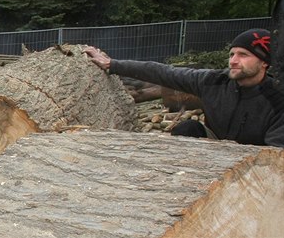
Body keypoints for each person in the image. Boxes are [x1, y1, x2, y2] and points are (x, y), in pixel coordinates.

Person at [83, 28, 284, 148]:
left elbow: (275, 154)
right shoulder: (215, 81)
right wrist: (112, 64)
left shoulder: (277, 99)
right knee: (188, 128)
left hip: (256, 159)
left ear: (264, 62)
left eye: (243, 55)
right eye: (232, 54)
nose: (233, 61)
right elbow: (164, 72)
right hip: (216, 146)